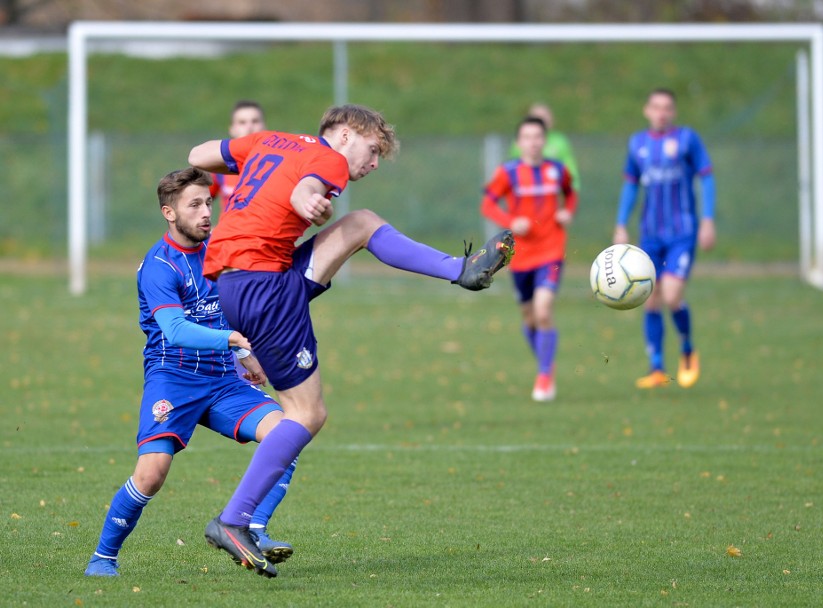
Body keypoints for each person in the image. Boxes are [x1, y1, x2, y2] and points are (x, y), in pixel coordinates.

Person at [188, 103, 515, 578]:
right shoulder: (328, 158)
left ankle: (460, 270)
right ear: (343, 135)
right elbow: (307, 189)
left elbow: (199, 153)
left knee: (360, 223)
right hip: (264, 286)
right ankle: (234, 520)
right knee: (307, 413)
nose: (374, 163)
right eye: (373, 149)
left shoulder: (271, 141)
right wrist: (306, 199)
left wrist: (257, 165)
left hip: (239, 283)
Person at [84, 168, 297, 577]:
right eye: (194, 205)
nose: (205, 213)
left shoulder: (219, 249)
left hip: (222, 379)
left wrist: (245, 351)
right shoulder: (159, 266)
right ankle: (103, 558)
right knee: (151, 474)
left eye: (208, 203)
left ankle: (252, 527)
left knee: (287, 432)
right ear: (169, 212)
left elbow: (237, 304)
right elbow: (176, 330)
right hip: (172, 378)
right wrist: (236, 341)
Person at [613, 88, 716, 389]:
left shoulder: (686, 139)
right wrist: (621, 223)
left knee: (671, 295)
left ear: (674, 112)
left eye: (667, 107)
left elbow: (706, 176)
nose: (661, 112)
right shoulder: (638, 144)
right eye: (656, 107)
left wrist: (707, 220)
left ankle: (687, 348)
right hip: (650, 235)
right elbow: (631, 185)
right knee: (650, 299)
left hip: (682, 233)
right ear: (647, 110)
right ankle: (656, 367)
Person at [482, 116, 577, 402]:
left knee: (543, 310)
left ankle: (545, 375)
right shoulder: (508, 172)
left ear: (544, 141)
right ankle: (545, 361)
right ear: (518, 142)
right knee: (529, 317)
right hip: (521, 255)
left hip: (552, 250)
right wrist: (510, 221)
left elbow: (570, 194)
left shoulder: (557, 171)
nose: (533, 142)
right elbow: (487, 203)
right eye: (527, 137)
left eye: (538, 137)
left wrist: (567, 212)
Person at [209, 100, 266, 213]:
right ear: (232, 129)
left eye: (255, 121)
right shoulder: (220, 167)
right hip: (228, 230)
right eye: (242, 122)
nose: (249, 127)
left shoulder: (277, 164)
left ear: (264, 126)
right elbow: (195, 202)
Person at [509, 102, 581, 192]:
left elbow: (569, 167)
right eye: (538, 116)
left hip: (554, 190)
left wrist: (573, 187)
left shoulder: (560, 141)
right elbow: (512, 169)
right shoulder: (521, 141)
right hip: (526, 190)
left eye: (545, 115)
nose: (542, 119)